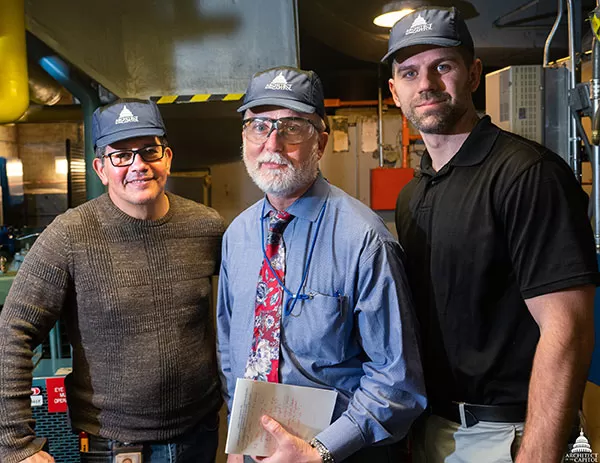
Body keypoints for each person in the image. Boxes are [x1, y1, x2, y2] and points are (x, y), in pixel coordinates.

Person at [383, 6, 599, 463]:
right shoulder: (413, 195)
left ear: (473, 73)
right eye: (410, 73)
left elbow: (568, 328)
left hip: (509, 435)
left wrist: (536, 453)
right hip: (433, 430)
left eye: (443, 66)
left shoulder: (527, 176)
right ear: (395, 90)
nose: (426, 84)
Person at [216, 66, 427, 463]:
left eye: (292, 127)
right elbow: (231, 351)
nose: (272, 143)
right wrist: (239, 437)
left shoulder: (364, 240)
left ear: (321, 141)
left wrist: (320, 452)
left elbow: (396, 381)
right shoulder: (238, 237)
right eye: (258, 126)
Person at [0, 99, 225, 463]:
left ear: (167, 157)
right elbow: (13, 331)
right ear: (101, 169)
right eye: (121, 155)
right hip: (114, 447)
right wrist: (14, 443)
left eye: (149, 151)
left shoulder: (206, 226)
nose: (139, 165)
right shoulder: (69, 235)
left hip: (199, 434)